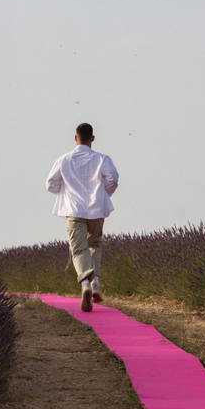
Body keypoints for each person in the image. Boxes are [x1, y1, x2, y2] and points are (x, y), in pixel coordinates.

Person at [46, 123, 119, 312]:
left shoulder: (64, 160)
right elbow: (113, 179)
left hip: (73, 210)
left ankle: (85, 285)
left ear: (75, 138)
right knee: (94, 244)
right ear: (92, 138)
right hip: (96, 210)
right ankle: (95, 283)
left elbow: (50, 184)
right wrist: (103, 195)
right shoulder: (102, 159)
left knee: (78, 249)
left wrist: (64, 192)